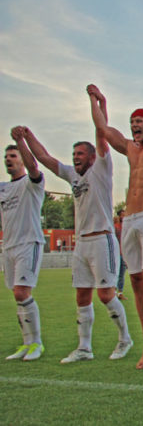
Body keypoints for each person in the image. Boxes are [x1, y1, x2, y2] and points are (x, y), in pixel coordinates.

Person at [22, 94, 133, 362]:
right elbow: (45, 158)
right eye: (74, 155)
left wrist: (96, 102)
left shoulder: (102, 168)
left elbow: (101, 131)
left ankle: (124, 339)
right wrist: (26, 137)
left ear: (94, 156)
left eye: (80, 154)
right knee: (82, 296)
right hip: (81, 243)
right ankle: (84, 348)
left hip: (102, 240)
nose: (76, 158)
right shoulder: (72, 175)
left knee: (106, 295)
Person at [91, 85, 143, 369]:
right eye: (131, 122)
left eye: (139, 121)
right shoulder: (129, 148)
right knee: (136, 281)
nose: (134, 125)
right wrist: (98, 100)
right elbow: (103, 129)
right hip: (130, 219)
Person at [2, 131, 45, 361]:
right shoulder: (2, 188)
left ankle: (37, 343)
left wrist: (21, 142)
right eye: (6, 157)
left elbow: (34, 166)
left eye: (13, 156)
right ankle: (26, 343)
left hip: (29, 243)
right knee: (17, 295)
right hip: (8, 247)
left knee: (22, 292)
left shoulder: (32, 183)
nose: (8, 159)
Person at [114, 209, 127, 300]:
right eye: (122, 215)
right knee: (116, 274)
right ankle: (114, 292)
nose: (124, 216)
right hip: (116, 254)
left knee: (122, 274)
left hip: (124, 254)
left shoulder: (126, 227)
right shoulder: (115, 227)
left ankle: (120, 293)